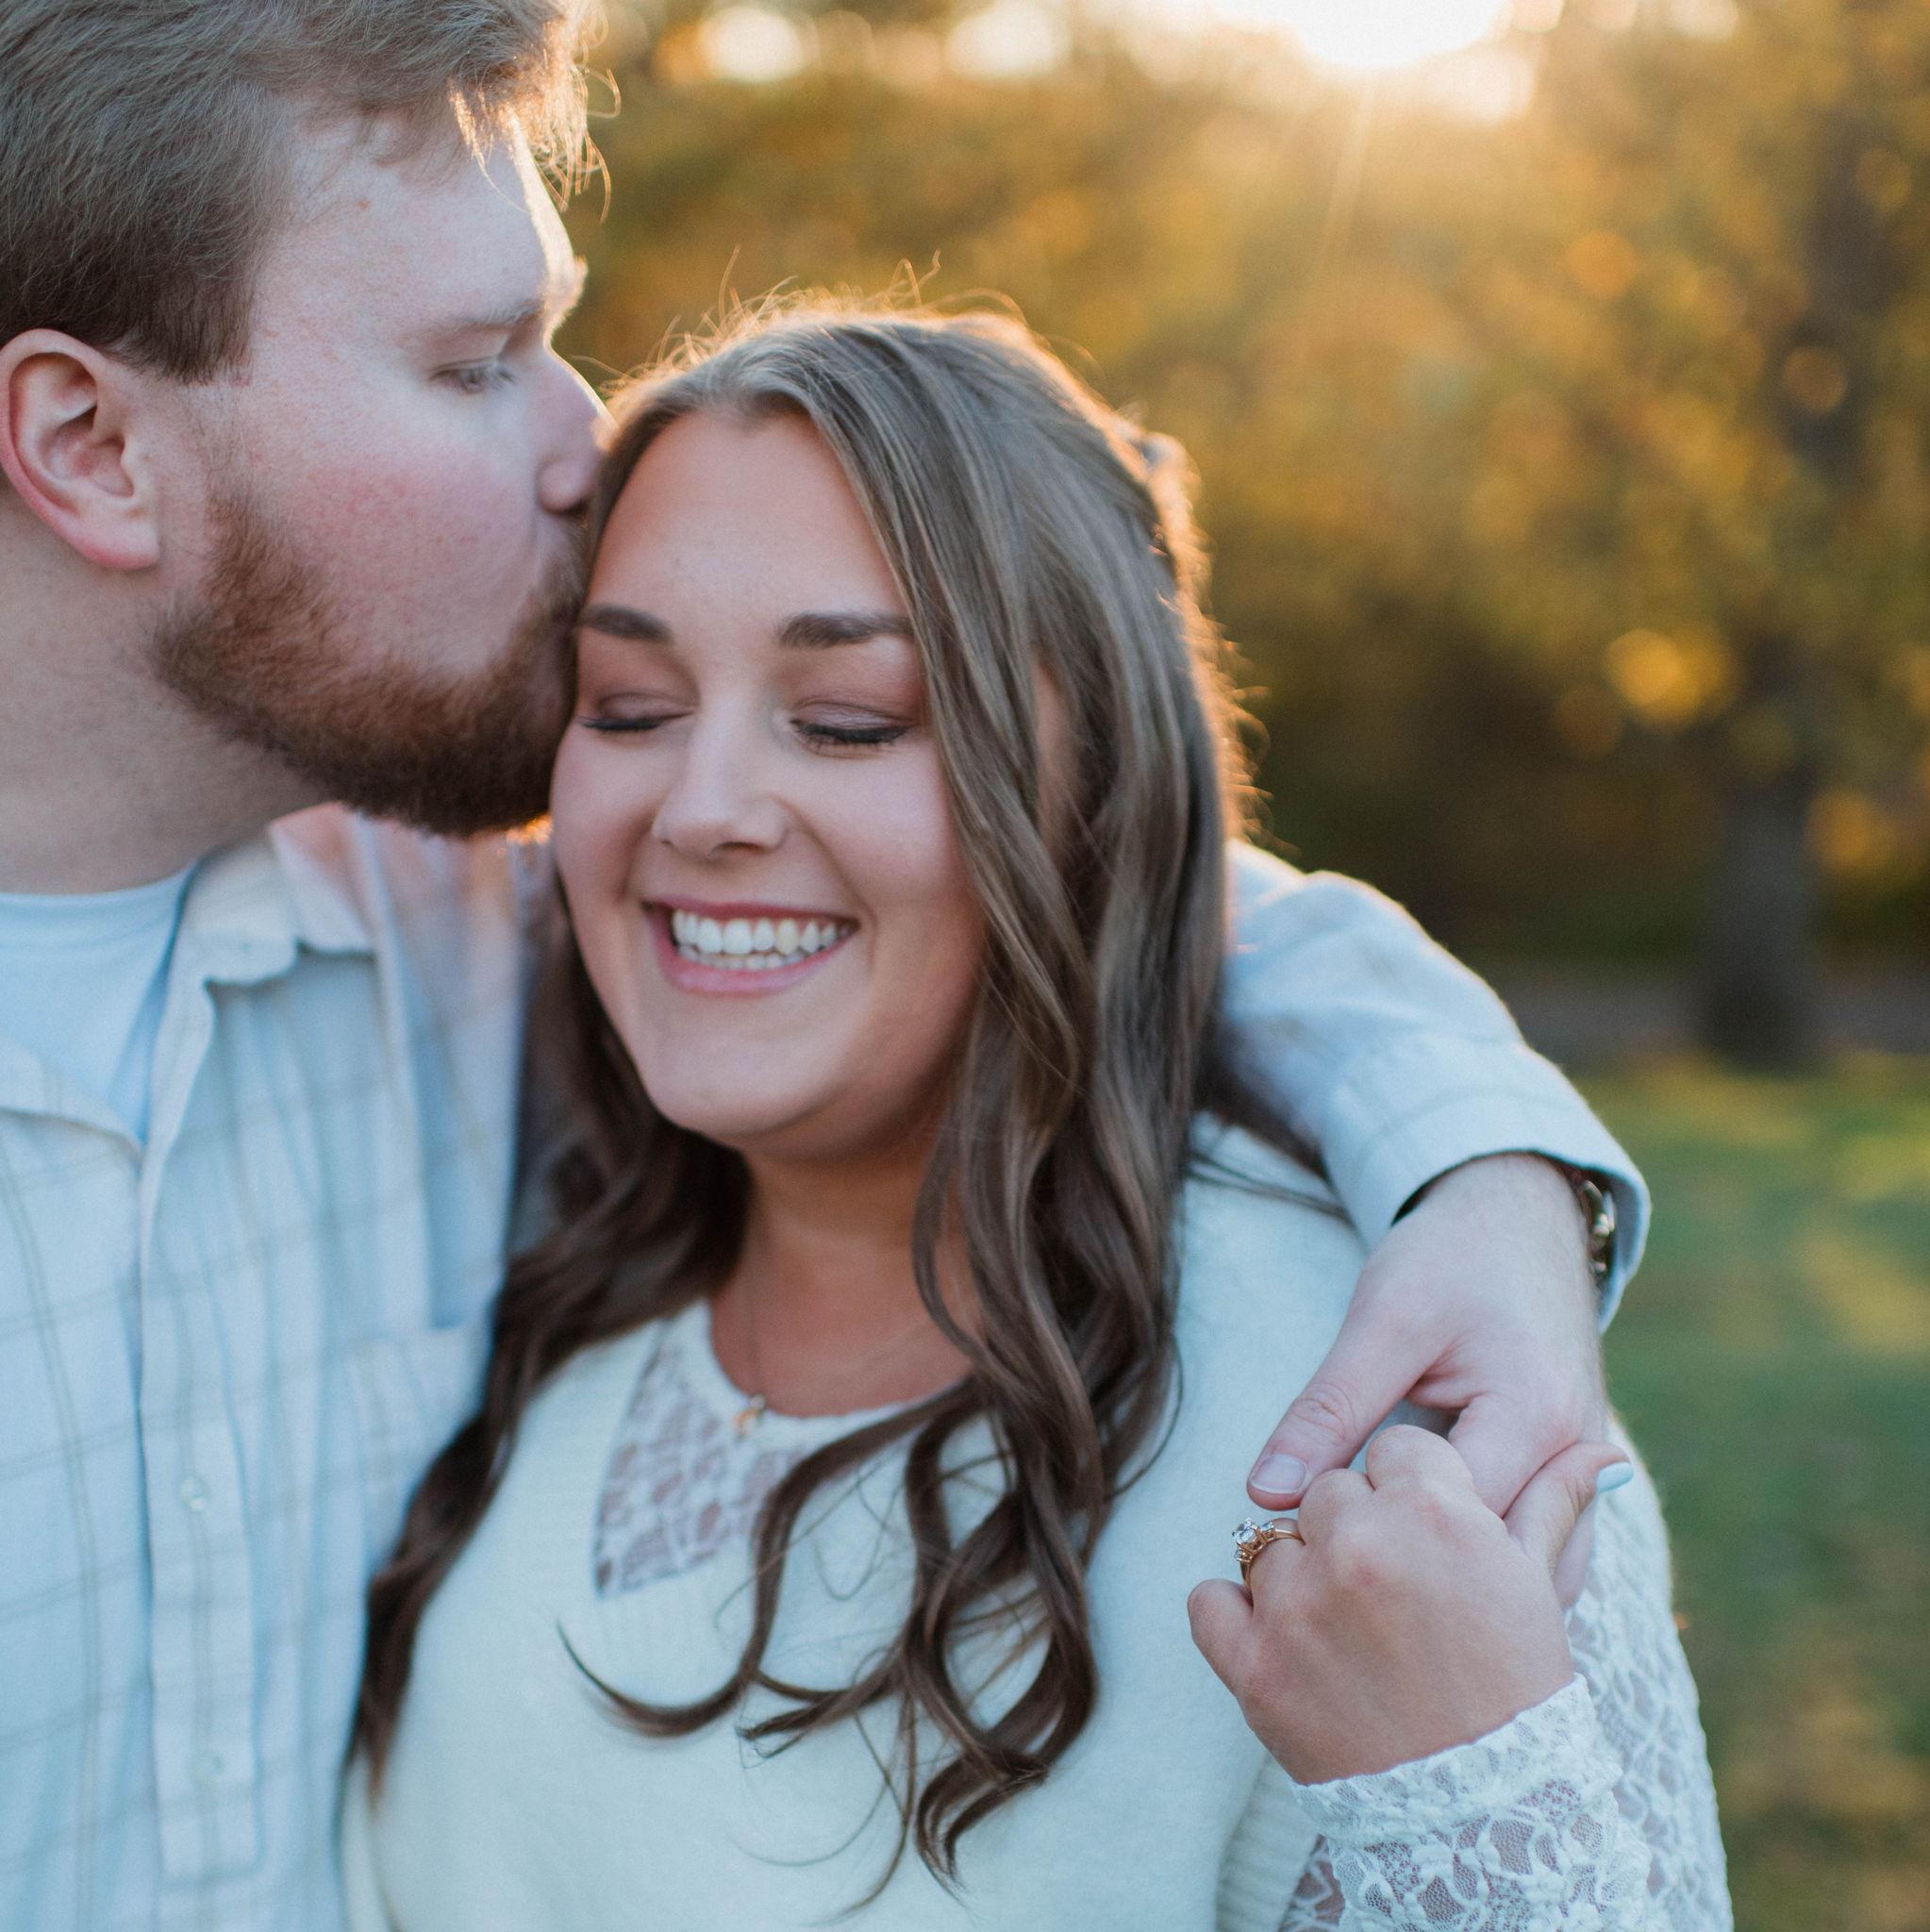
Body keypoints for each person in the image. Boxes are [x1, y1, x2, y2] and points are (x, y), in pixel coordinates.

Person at [0, 6, 1649, 1929]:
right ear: (90, 444)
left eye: (841, 712)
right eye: (475, 365)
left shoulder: (438, 923)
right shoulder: (496, 943)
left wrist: (1488, 1171)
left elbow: (1066, 877)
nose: (581, 436)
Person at [341, 304, 1729, 1928]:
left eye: (845, 718)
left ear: (1091, 780)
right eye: (629, 708)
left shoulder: (1392, 1433)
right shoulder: (513, 1219)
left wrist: (1461, 1773)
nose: (698, 809)